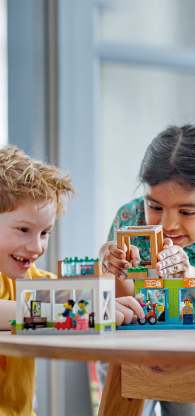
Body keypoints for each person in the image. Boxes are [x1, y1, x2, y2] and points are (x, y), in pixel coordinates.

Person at [99, 124, 195, 416]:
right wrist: (113, 270)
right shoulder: (129, 216)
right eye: (155, 206)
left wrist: (191, 275)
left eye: (187, 212)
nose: (167, 224)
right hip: (131, 349)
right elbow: (120, 305)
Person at [0, 145, 74, 415]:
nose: (37, 247)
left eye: (45, 233)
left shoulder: (27, 278)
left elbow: (73, 294)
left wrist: (116, 293)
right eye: (23, 229)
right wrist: (86, 307)